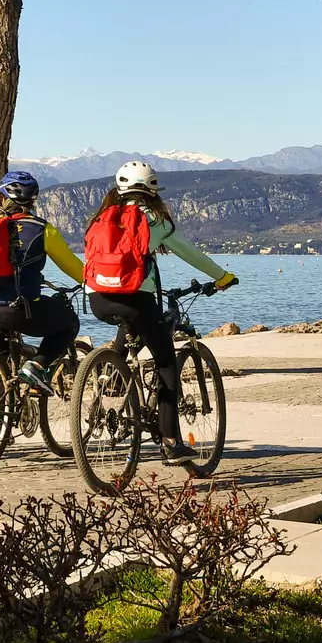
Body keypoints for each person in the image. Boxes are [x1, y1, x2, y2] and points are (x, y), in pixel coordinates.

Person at [82, 162, 238, 466]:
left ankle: (112, 377)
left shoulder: (101, 217)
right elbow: (189, 252)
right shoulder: (155, 219)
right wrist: (222, 276)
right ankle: (170, 442)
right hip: (135, 297)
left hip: (97, 298)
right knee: (166, 362)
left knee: (129, 326)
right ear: (152, 189)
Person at [0, 171, 85, 394]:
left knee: (5, 365)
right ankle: (37, 365)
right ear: (33, 200)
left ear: (2, 197)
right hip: (16, 309)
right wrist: (100, 285)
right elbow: (77, 271)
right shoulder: (41, 229)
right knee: (69, 323)